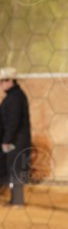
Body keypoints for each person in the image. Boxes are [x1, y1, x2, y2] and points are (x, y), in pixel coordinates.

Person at [0, 67, 31, 206]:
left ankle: (17, 201)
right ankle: (15, 199)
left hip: (15, 142)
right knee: (12, 168)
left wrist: (6, 140)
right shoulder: (13, 96)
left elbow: (13, 122)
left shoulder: (15, 97)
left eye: (3, 81)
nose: (1, 84)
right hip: (14, 141)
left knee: (15, 169)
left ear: (11, 81)